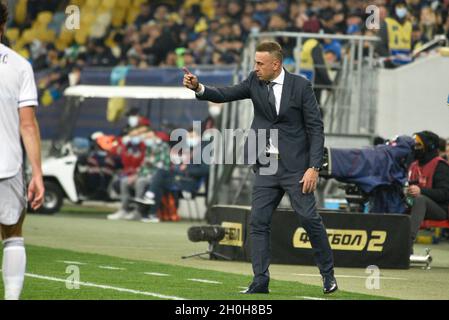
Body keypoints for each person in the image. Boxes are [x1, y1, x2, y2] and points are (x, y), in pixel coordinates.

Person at [183, 41, 337, 294]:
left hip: (296, 168)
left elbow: (316, 128)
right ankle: (260, 280)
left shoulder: (301, 86)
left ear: (275, 65)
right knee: (258, 222)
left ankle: (328, 275)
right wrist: (198, 87)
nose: (255, 68)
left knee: (309, 219)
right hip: (265, 164)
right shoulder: (254, 82)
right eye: (255, 62)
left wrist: (314, 167)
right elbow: (225, 94)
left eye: (260, 63)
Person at [0, 2, 45, 300]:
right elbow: (27, 125)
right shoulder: (19, 65)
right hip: (7, 166)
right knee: (13, 236)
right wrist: (38, 174)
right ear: (3, 26)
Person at [407, 131, 449, 254]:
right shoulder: (413, 165)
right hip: (415, 205)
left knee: (420, 199)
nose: (415, 148)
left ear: (429, 146)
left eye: (418, 145)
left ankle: (406, 245)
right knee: (392, 200)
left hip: (440, 209)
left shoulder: (441, 165)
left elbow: (445, 194)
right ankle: (386, 246)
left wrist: (421, 190)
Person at [376, 0, 413, 67]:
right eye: (399, 7)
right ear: (393, 8)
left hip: (407, 63)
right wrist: (390, 59)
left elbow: (412, 44)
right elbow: (380, 45)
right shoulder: (386, 23)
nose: (401, 9)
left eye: (403, 7)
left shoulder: (409, 25)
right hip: (391, 64)